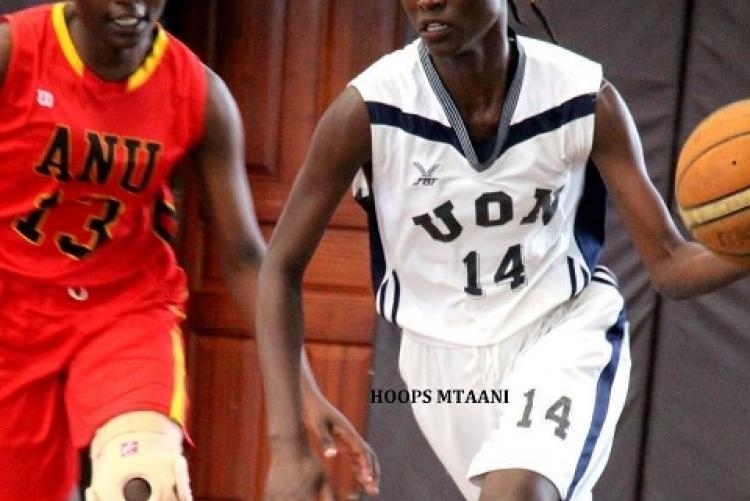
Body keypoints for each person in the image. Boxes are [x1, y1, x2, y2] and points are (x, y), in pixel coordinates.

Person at [256, 0, 750, 500]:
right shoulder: (368, 110)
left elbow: (670, 265)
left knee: (517, 492)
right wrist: (287, 440)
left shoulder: (582, 97)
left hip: (561, 327)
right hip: (438, 362)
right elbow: (278, 268)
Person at [0, 1, 377, 501]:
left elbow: (246, 257)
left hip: (124, 312)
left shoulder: (199, 92)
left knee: (146, 483)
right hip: (14, 312)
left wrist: (304, 393)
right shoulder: (14, 52)